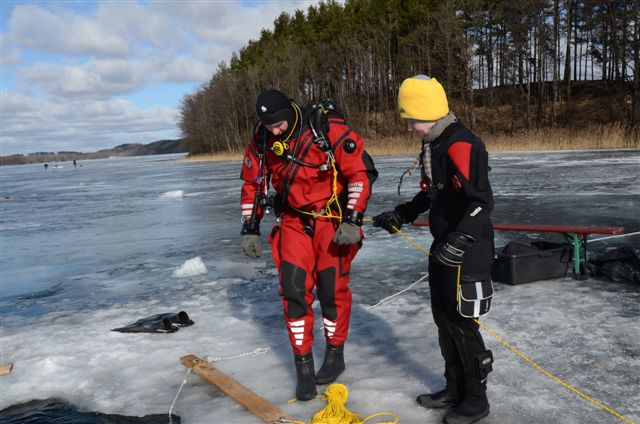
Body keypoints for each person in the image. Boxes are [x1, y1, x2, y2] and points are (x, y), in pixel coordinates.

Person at [240, 89, 378, 400]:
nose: (274, 131)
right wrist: (249, 227)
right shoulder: (262, 142)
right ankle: (303, 367)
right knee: (293, 290)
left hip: (331, 219)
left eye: (278, 124)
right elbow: (252, 183)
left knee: (332, 291)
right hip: (293, 222)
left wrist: (353, 219)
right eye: (267, 126)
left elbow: (360, 172)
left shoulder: (324, 128)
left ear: (289, 113)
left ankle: (334, 356)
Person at [372, 75, 495, 424]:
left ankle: (476, 398)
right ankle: (454, 387)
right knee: (443, 320)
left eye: (411, 118)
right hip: (443, 247)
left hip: (468, 251)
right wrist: (402, 213)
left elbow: (481, 203)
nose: (409, 126)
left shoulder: (462, 144)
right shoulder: (435, 144)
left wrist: (460, 240)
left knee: (461, 324)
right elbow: (433, 194)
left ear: (426, 111)